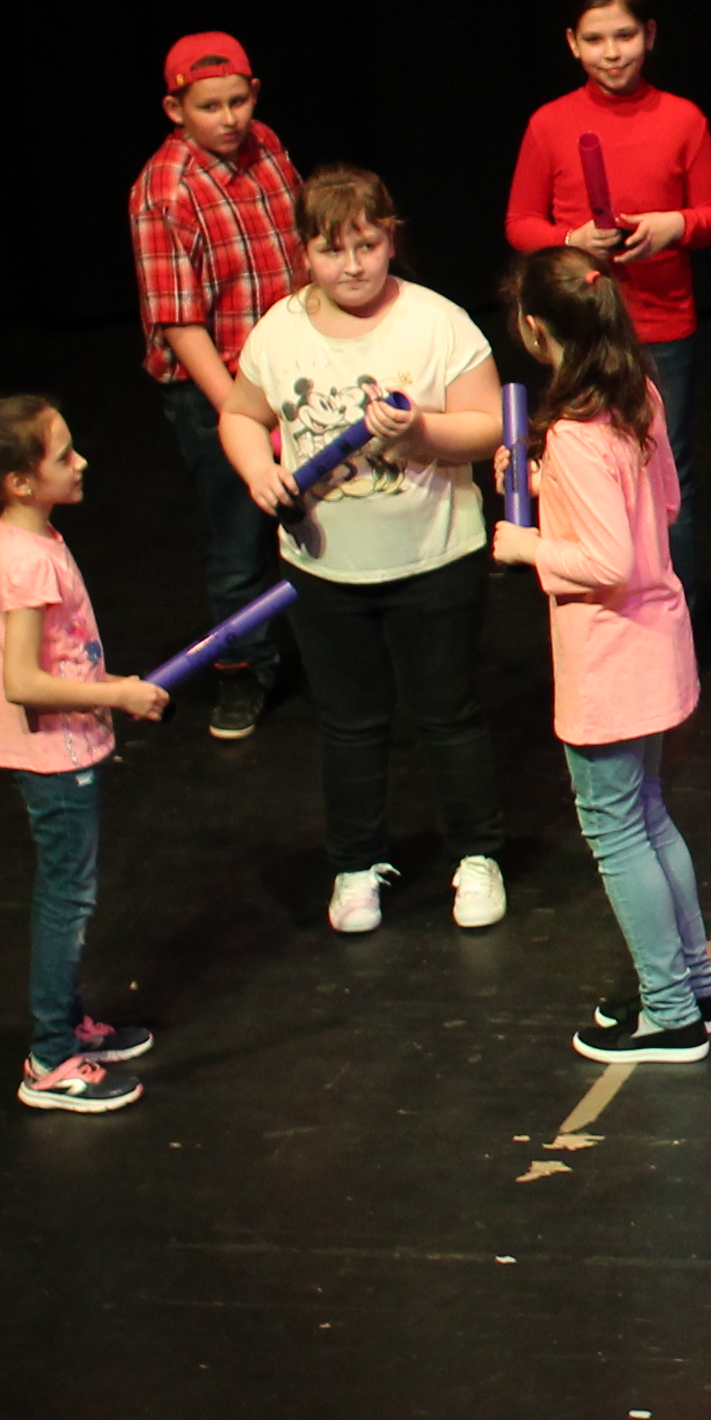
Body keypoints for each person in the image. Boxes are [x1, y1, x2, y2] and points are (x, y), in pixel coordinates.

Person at [221, 165, 510, 935]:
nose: (351, 266)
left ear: (391, 240)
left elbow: (489, 424)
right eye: (330, 250)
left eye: (367, 245)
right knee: (348, 721)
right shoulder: (280, 330)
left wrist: (421, 431)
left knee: (446, 712)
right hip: (323, 568)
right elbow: (242, 415)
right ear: (303, 252)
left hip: (435, 558)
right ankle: (355, 864)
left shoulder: (438, 323)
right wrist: (257, 470)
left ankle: (476, 854)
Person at [491, 247, 711, 1065]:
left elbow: (605, 559)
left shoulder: (576, 435)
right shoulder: (638, 398)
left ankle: (669, 1011)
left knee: (615, 828)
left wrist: (528, 543)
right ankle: (694, 984)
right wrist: (542, 482)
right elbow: (660, 502)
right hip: (655, 641)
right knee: (648, 813)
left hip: (611, 657)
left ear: (535, 329)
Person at [0, 396, 166, 1113]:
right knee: (68, 899)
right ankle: (50, 1059)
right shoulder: (25, 561)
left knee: (71, 893)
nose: (81, 462)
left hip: (64, 747)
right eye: (64, 456)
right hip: (53, 757)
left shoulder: (21, 537)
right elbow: (23, 682)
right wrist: (117, 694)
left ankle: (66, 1025)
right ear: (19, 482)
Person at [503, 0, 711, 594]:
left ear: (649, 35)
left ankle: (671, 608)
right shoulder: (550, 123)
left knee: (665, 471)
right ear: (572, 43)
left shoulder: (682, 118)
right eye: (595, 39)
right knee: (586, 464)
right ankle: (599, 589)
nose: (611, 53)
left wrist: (673, 225)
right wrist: (570, 239)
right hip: (579, 328)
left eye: (625, 36)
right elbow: (520, 223)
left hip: (662, 323)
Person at [126, 29, 304, 741]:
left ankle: (323, 648)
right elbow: (179, 324)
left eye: (238, 101)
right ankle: (242, 671)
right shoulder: (163, 191)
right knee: (238, 540)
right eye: (209, 107)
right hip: (216, 390)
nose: (228, 119)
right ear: (176, 110)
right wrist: (241, 415)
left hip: (290, 375)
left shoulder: (267, 147)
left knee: (310, 514)